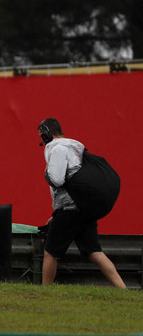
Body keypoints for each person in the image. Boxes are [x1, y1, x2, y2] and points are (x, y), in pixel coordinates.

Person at [38, 118, 126, 288]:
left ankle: (44, 292)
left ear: (46, 133)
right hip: (84, 207)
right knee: (94, 251)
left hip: (70, 209)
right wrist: (54, 215)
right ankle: (123, 289)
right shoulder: (75, 149)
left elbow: (57, 180)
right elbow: (73, 181)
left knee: (50, 252)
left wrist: (47, 173)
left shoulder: (57, 149)